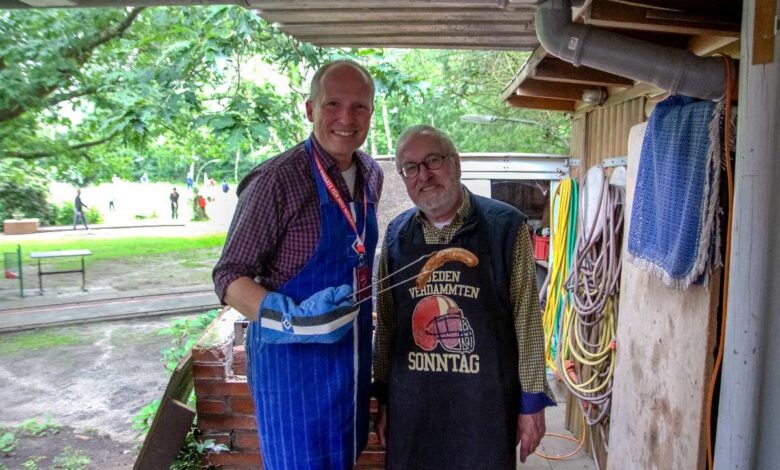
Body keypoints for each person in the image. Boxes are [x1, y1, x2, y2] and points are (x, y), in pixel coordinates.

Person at [212, 60, 382, 469]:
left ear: (371, 114)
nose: (346, 118)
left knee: (344, 457)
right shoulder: (276, 180)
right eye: (332, 104)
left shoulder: (372, 174)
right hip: (292, 372)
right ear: (310, 110)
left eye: (359, 107)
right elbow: (228, 275)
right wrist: (291, 318)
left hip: (349, 363)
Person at [371, 125, 555, 469]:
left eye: (433, 160)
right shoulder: (397, 234)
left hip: (483, 406)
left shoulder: (505, 226)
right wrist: (383, 398)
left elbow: (527, 321)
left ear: (455, 163)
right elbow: (388, 326)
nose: (423, 175)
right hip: (414, 404)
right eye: (411, 167)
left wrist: (531, 404)